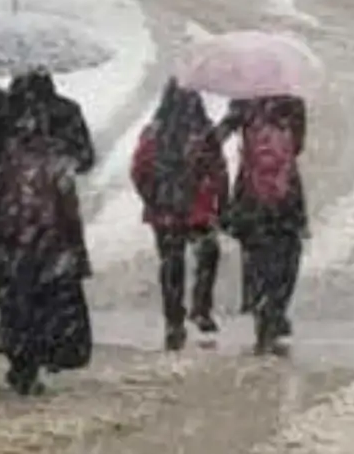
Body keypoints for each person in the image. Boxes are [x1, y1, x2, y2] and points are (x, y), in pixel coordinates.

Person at [0, 68, 95, 396]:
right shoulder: (66, 110)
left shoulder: (2, 111)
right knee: (54, 287)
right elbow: (87, 158)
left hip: (10, 219)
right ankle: (52, 348)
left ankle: (21, 359)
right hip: (56, 218)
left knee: (14, 290)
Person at [131, 79, 229, 351]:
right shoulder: (203, 131)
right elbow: (218, 170)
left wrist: (151, 197)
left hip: (164, 211)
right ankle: (201, 305)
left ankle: (174, 319)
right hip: (196, 209)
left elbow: (139, 169)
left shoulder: (153, 132)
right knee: (208, 254)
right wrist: (220, 202)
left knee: (171, 265)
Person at [223, 93, 308, 355]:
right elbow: (298, 146)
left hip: (251, 195)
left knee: (256, 255)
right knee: (287, 254)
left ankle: (262, 311)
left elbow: (218, 136)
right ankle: (277, 308)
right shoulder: (292, 105)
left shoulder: (244, 104)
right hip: (286, 196)